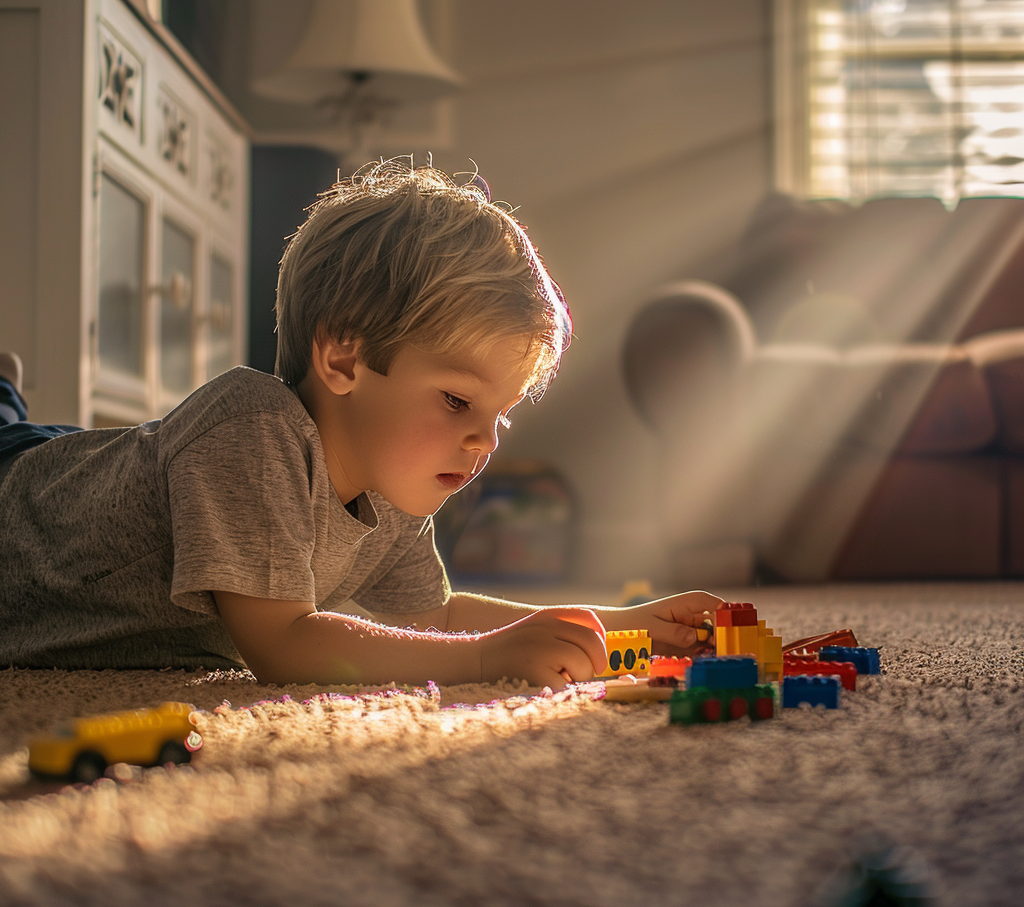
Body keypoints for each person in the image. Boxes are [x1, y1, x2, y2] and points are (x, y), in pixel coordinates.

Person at [0, 159, 721, 688]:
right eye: (456, 401)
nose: (484, 441)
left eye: (499, 414)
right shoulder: (250, 429)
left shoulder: (392, 483)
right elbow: (283, 646)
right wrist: (484, 661)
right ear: (343, 358)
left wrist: (623, 622)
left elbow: (430, 620)